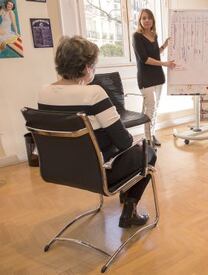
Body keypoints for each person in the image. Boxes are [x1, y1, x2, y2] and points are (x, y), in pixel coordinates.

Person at [38, 36, 157, 229]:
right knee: (147, 151)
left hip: (58, 170)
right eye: (93, 66)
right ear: (86, 68)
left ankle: (126, 196)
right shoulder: (94, 93)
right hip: (96, 174)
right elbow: (124, 142)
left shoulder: (43, 92)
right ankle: (130, 209)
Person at [132, 8, 176, 147]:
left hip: (158, 77)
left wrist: (164, 45)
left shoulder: (154, 35)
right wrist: (165, 64)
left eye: (149, 18)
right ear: (140, 20)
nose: (146, 20)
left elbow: (155, 53)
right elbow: (145, 58)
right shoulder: (137, 36)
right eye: (143, 18)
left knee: (155, 108)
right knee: (149, 109)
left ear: (152, 21)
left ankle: (152, 134)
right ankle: (147, 139)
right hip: (146, 78)